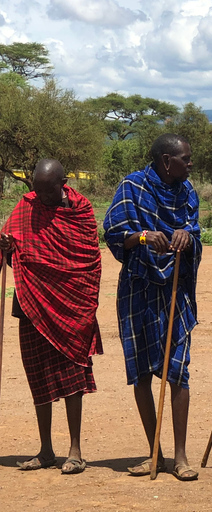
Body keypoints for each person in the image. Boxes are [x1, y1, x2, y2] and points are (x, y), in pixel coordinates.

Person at [104, 133, 202, 482]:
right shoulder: (132, 187)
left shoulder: (188, 192)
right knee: (143, 372)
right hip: (139, 288)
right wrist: (144, 236)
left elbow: (194, 231)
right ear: (166, 160)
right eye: (185, 159)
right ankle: (154, 453)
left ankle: (181, 457)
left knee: (178, 370)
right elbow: (114, 234)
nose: (191, 164)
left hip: (176, 289)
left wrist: (186, 238)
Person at [1, 159, 102, 475]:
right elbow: (12, 249)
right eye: (37, 189)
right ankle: (45, 449)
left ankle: (75, 450)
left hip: (72, 306)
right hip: (30, 303)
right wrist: (5, 247)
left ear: (63, 183)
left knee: (73, 377)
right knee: (38, 376)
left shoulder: (81, 212)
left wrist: (82, 304)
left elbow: (88, 262)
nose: (40, 195)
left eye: (47, 189)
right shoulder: (26, 206)